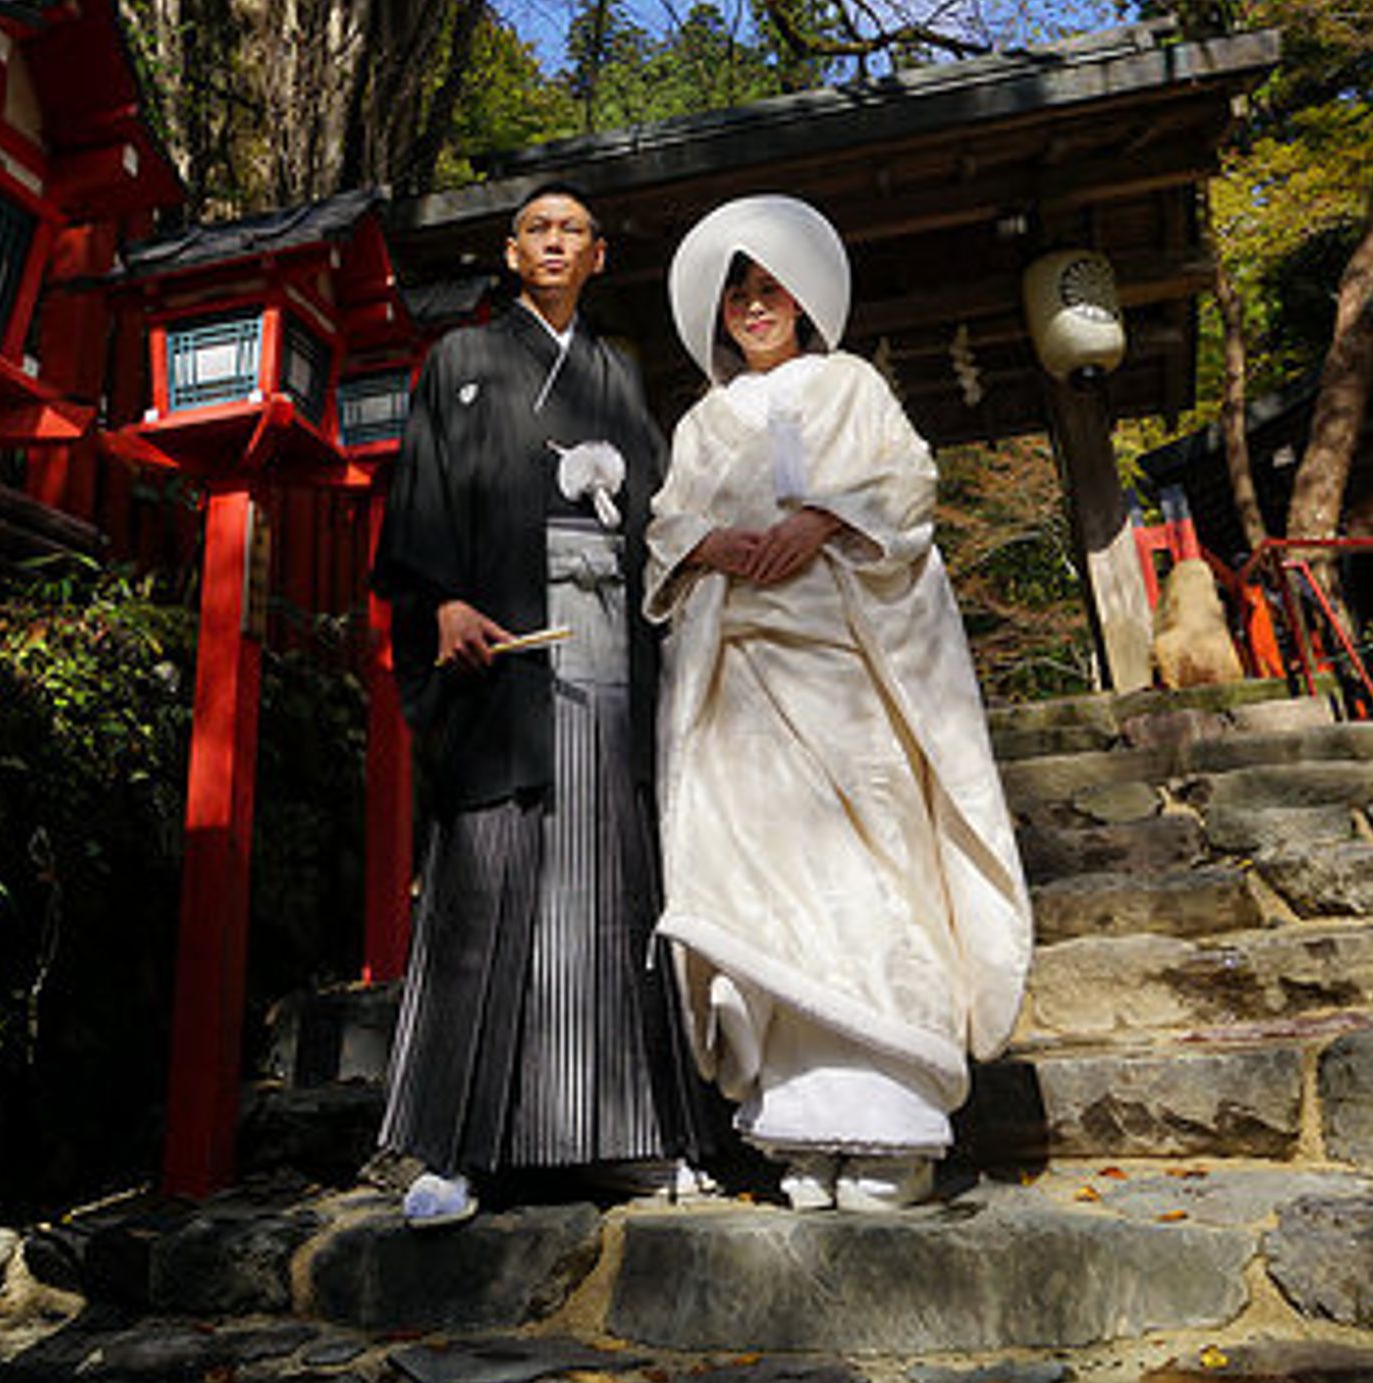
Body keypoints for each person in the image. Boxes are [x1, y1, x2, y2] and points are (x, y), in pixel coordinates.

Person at [645, 194, 1031, 1212]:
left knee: (870, 867)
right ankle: (800, 1131)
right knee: (760, 882)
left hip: (848, 662)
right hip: (741, 684)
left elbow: (905, 485)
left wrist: (824, 518)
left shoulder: (852, 384)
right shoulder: (698, 421)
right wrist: (710, 543)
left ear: (803, 301)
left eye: (769, 288)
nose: (754, 306)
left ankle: (896, 1124)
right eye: (738, 293)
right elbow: (666, 525)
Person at [371, 182, 700, 1224]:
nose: (556, 243)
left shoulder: (619, 373)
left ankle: (636, 1135)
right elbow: (421, 491)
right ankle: (455, 1149)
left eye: (575, 231)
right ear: (512, 255)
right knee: (487, 884)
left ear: (599, 256)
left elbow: (661, 518)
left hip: (605, 659)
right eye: (539, 230)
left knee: (611, 881)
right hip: (501, 655)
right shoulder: (458, 363)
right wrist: (446, 599)